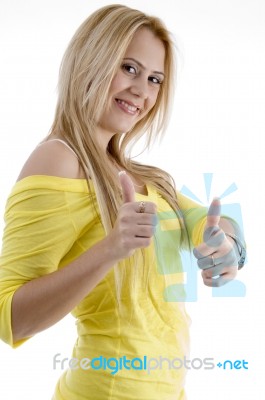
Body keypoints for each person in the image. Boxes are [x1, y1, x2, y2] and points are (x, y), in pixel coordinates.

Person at [0, 4, 246, 400]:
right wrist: (111, 249)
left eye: (154, 79)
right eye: (129, 68)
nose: (141, 90)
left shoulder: (144, 176)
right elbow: (11, 317)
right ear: (92, 61)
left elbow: (205, 219)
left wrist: (227, 246)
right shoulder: (59, 159)